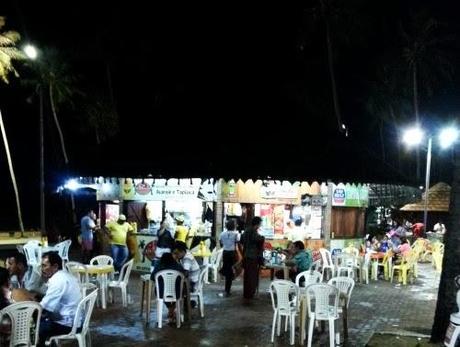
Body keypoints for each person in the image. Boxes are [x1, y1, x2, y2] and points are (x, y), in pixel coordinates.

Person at [38, 252, 81, 347]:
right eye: (41, 266)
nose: (42, 269)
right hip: (75, 319)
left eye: (44, 266)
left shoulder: (57, 281)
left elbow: (43, 307)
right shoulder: (65, 275)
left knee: (36, 328)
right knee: (42, 318)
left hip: (68, 324)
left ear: (55, 266)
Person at [151, 252, 185, 324]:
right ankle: (172, 309)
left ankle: (170, 309)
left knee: (160, 290)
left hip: (161, 293)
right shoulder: (177, 266)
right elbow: (184, 275)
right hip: (177, 293)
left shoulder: (158, 266)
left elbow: (152, 277)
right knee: (181, 290)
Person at [240, 216, 265, 301]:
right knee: (252, 276)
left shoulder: (247, 230)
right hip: (252, 257)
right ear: (257, 224)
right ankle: (250, 294)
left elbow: (241, 240)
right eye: (260, 224)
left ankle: (247, 294)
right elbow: (258, 239)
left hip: (246, 255)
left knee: (247, 276)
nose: (260, 226)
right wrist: (262, 238)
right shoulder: (252, 231)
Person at [219, 219, 240, 297]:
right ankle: (227, 289)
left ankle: (224, 273)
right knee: (232, 270)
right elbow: (238, 244)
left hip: (225, 253)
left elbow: (221, 244)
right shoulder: (236, 234)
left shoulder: (222, 234)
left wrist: (226, 244)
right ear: (234, 226)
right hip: (232, 253)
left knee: (228, 269)